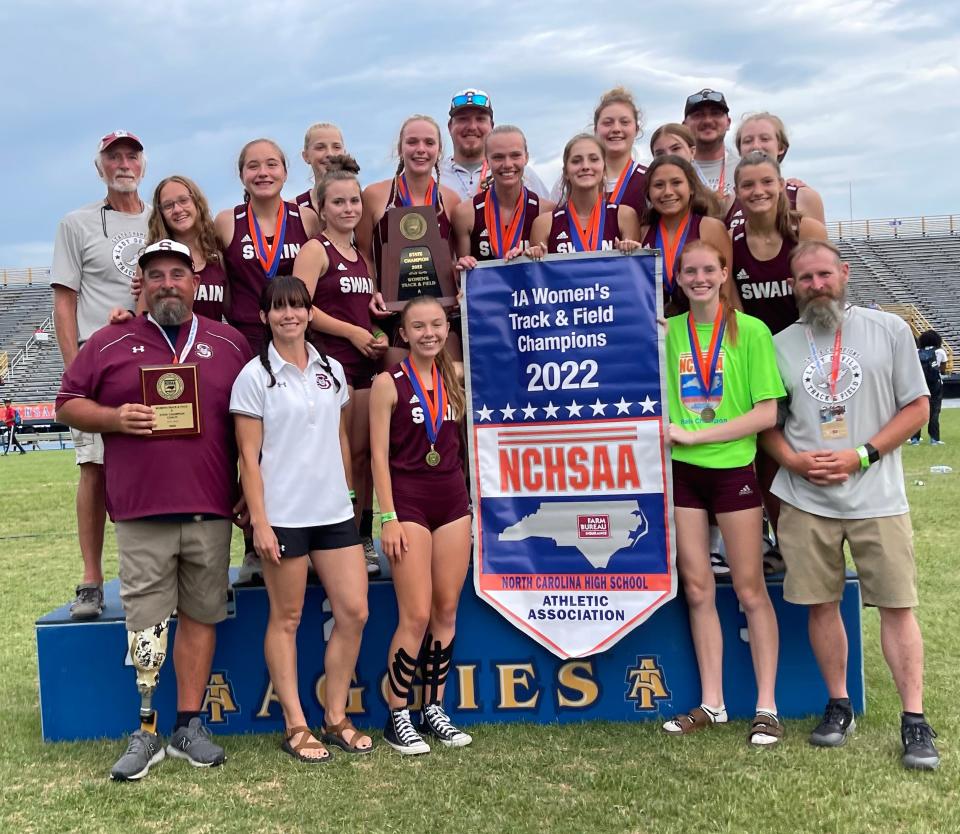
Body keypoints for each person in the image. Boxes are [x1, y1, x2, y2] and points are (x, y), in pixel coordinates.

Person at [55, 240, 252, 780]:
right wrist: (115, 418)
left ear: (194, 282)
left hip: (210, 506)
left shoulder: (229, 342)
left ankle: (189, 725)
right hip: (142, 510)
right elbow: (67, 401)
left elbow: (254, 418)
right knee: (145, 621)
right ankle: (146, 729)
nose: (168, 283)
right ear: (141, 284)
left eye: (177, 274)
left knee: (202, 615)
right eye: (157, 275)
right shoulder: (109, 340)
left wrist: (248, 486)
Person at [761, 240, 940, 770]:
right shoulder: (780, 344)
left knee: (895, 604)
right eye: (805, 279)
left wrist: (862, 454)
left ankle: (914, 719)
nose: (816, 286)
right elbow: (768, 424)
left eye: (823, 275)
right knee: (821, 603)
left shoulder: (888, 330)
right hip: (806, 498)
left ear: (844, 273)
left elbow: (918, 406)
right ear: (793, 286)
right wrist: (792, 461)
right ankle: (839, 703)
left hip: (877, 495)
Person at [231, 276, 372, 763]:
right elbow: (249, 459)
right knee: (287, 618)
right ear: (265, 316)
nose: (289, 315)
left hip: (333, 513)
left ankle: (334, 717)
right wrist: (261, 524)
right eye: (279, 308)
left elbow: (338, 439)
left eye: (297, 307)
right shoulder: (253, 377)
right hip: (285, 517)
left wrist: (351, 496)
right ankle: (296, 724)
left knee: (354, 612)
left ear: (310, 314)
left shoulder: (331, 369)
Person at [662, 240, 785, 746]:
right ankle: (713, 704)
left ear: (722, 272)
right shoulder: (667, 332)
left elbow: (766, 414)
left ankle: (767, 706)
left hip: (733, 468)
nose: (698, 278)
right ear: (678, 277)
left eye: (707, 269)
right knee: (697, 589)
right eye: (688, 271)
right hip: (684, 476)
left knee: (750, 589)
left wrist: (695, 434)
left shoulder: (750, 330)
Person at [51, 130, 151, 621]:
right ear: (100, 167)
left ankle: (156, 569)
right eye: (114, 156)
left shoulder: (163, 215)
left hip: (159, 361)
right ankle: (92, 576)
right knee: (94, 467)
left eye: (131, 155)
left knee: (162, 463)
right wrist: (76, 371)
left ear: (144, 164)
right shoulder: (77, 223)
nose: (124, 163)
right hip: (103, 361)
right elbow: (64, 299)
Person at [369, 295, 473, 755]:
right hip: (407, 503)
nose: (429, 333)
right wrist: (387, 517)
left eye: (436, 325)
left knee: (445, 612)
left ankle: (434, 708)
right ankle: (398, 713)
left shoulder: (457, 379)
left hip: (452, 501)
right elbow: (375, 456)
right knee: (414, 614)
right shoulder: (387, 383)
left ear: (446, 330)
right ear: (403, 334)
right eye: (418, 326)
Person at [292, 156, 387, 576]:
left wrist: (375, 327)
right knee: (334, 455)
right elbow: (300, 308)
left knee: (363, 454)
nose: (349, 209)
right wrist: (350, 332)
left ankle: (362, 533)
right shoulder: (316, 250)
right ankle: (331, 536)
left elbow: (363, 309)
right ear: (321, 207)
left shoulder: (362, 255)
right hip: (329, 366)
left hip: (363, 364)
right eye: (338, 202)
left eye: (354, 202)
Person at [215, 138, 321, 355]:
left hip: (296, 335)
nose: (263, 172)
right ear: (242, 175)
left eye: (272, 164)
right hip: (245, 339)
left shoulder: (307, 219)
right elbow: (220, 282)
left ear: (285, 172)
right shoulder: (226, 222)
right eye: (253, 166)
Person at [639, 155, 731, 316]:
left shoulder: (710, 228)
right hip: (658, 331)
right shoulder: (642, 233)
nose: (667, 192)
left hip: (704, 331)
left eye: (676, 183)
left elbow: (726, 291)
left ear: (692, 188)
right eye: (659, 185)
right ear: (648, 193)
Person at [526, 134, 641, 258]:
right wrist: (533, 256)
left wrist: (632, 250)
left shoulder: (625, 216)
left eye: (594, 159)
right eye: (576, 161)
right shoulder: (544, 224)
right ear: (565, 172)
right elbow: (540, 275)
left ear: (604, 169)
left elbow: (633, 271)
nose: (585, 166)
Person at [452, 125, 552, 267]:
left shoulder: (546, 211)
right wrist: (463, 265)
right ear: (486, 161)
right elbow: (461, 279)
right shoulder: (465, 214)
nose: (507, 164)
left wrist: (539, 255)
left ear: (526, 158)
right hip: (487, 289)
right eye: (498, 157)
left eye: (515, 155)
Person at [128, 176, 226, 321]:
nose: (178, 210)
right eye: (168, 205)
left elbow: (232, 312)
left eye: (184, 200)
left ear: (197, 203)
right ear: (161, 214)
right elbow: (142, 321)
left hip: (211, 343)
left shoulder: (217, 257)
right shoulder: (151, 261)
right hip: (164, 343)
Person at [439, 89, 549, 201]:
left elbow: (548, 214)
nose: (472, 127)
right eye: (463, 119)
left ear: (491, 126)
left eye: (480, 119)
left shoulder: (522, 175)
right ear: (450, 126)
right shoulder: (434, 176)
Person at [727, 113, 825, 230]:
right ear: (739, 150)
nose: (756, 145)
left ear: (781, 147)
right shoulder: (728, 202)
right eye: (748, 141)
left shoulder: (804, 197)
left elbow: (819, 247)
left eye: (765, 139)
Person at [593, 87, 647, 216]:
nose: (616, 129)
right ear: (596, 130)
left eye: (624, 122)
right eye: (608, 123)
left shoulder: (650, 179)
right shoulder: (573, 179)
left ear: (636, 129)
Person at [682, 89, 738, 208]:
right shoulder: (674, 170)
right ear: (684, 125)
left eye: (715, 113)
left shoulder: (744, 168)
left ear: (728, 123)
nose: (707, 120)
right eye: (698, 115)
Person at [649, 123, 716, 195]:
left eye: (676, 149)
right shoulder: (650, 194)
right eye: (660, 153)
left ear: (692, 151)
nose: (668, 156)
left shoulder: (711, 198)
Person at [295, 123, 346, 215]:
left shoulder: (363, 205)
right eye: (320, 147)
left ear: (344, 153)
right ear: (306, 156)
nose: (330, 153)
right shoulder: (294, 209)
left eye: (336, 147)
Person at [909, 329, 947, 445]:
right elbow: (943, 370)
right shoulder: (940, 352)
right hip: (935, 384)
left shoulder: (916, 351)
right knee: (934, 411)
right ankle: (934, 439)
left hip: (919, 384)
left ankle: (915, 439)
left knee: (916, 410)